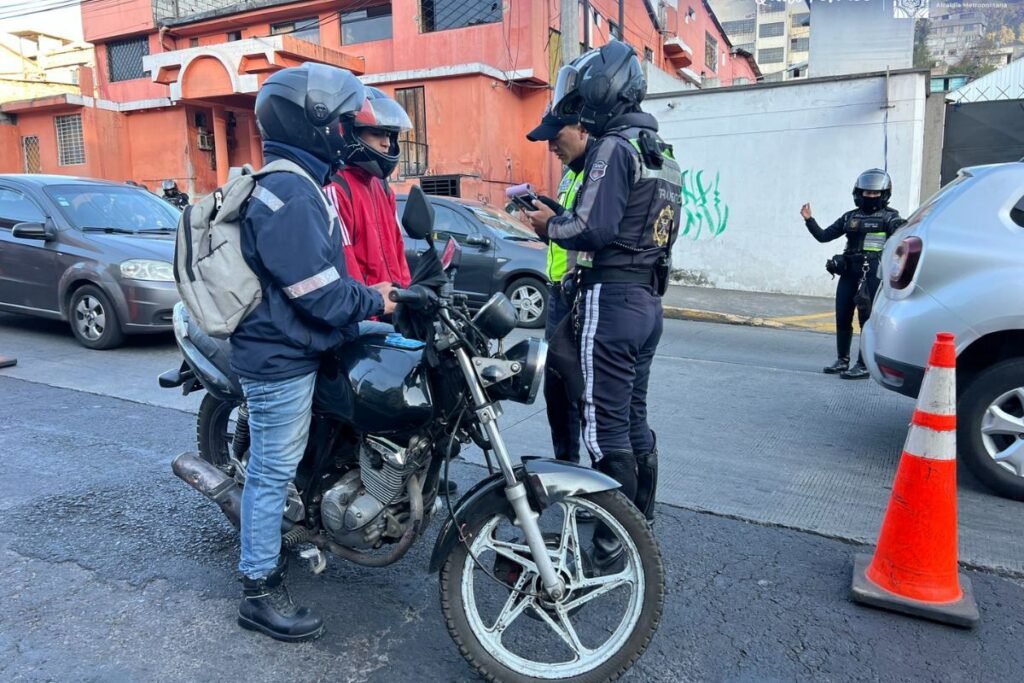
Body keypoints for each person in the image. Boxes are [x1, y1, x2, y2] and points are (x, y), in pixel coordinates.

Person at [230, 63, 396, 643]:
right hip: (279, 359)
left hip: (302, 342)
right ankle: (258, 587)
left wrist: (375, 302)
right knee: (273, 468)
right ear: (315, 123)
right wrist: (378, 300)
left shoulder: (303, 183)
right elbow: (322, 295)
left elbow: (329, 277)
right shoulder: (289, 192)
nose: (351, 132)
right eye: (345, 122)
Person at [525, 41, 682, 568]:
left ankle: (614, 539)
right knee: (633, 417)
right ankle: (642, 518)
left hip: (609, 300)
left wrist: (550, 225)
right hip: (646, 300)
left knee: (603, 426)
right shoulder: (661, 152)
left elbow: (591, 228)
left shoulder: (616, 146)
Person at [525, 108, 589, 464]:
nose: (551, 146)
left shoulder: (597, 175)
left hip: (578, 295)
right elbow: (570, 226)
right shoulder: (570, 176)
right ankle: (566, 464)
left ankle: (592, 485)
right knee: (557, 387)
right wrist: (551, 218)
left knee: (580, 391)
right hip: (558, 293)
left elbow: (590, 230)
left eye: (555, 137)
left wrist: (556, 224)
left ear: (582, 128)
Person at [801, 169, 905, 379]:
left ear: (884, 194)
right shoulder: (850, 217)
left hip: (872, 274)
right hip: (849, 272)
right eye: (866, 193)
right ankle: (842, 360)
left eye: (875, 193)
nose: (870, 197)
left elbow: (902, 236)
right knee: (842, 315)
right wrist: (809, 220)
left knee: (866, 320)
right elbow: (823, 236)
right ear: (858, 193)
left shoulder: (890, 218)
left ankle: (863, 364)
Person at [325, 87, 412, 290]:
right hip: (368, 311)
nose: (386, 144)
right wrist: (369, 310)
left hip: (393, 304)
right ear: (348, 133)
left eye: (390, 136)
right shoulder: (337, 189)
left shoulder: (382, 186)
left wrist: (407, 297)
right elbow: (346, 261)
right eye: (376, 134)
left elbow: (397, 246)